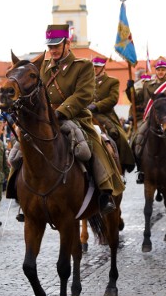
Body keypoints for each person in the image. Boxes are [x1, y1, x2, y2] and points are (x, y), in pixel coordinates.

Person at [40, 24, 123, 214]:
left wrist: (60, 112)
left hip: (75, 117)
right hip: (46, 119)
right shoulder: (43, 67)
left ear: (67, 44)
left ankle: (105, 192)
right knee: (22, 145)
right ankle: (20, 193)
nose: (52, 50)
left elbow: (84, 94)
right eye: (50, 46)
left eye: (57, 46)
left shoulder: (83, 66)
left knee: (94, 146)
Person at [87, 56, 135, 174]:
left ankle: (121, 166)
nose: (95, 69)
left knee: (116, 134)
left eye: (97, 67)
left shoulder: (112, 81)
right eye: (93, 67)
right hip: (86, 113)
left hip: (105, 114)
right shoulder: (86, 81)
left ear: (103, 67)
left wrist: (97, 106)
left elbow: (113, 99)